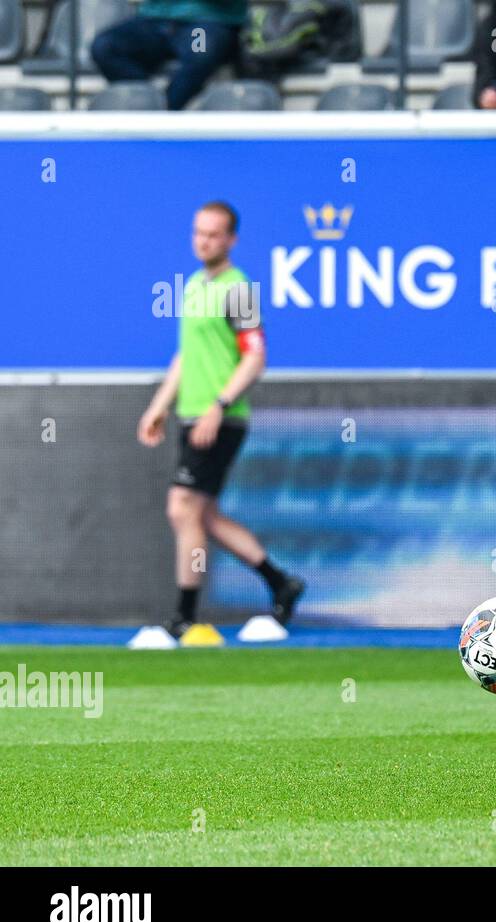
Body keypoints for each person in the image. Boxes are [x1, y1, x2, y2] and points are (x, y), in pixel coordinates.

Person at [137, 201, 305, 641]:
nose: (203, 241)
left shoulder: (239, 289)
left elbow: (256, 357)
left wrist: (218, 404)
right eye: (198, 233)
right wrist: (159, 405)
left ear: (231, 240)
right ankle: (280, 582)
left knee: (182, 507)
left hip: (220, 419)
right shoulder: (192, 285)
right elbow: (186, 357)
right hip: (191, 415)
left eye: (213, 234)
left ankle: (184, 616)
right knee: (205, 516)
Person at [91, 0, 247, 111]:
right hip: (154, 20)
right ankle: (151, 102)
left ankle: (166, 111)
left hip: (201, 23)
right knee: (105, 47)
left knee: (200, 52)